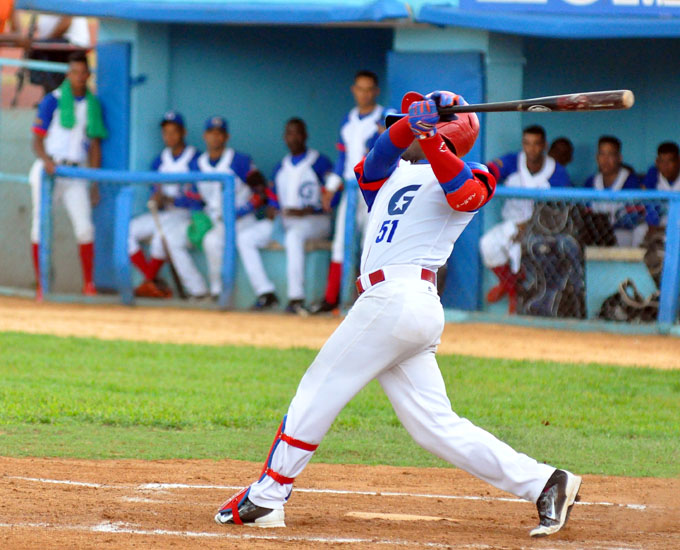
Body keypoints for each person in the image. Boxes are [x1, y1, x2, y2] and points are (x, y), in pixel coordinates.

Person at [213, 90, 582, 538]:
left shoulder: (476, 174)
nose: (402, 125)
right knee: (435, 428)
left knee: (317, 390)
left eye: (421, 118)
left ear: (447, 131)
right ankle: (546, 482)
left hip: (398, 299)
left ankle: (267, 497)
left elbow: (462, 194)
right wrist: (415, 124)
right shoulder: (391, 175)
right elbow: (381, 151)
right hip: (400, 308)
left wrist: (432, 138)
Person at [29, 51, 107, 300]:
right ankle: (42, 286)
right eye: (74, 72)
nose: (79, 77)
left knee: (85, 229)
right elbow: (37, 140)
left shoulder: (92, 104)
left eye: (83, 72)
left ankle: (88, 285)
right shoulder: (52, 100)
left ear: (88, 74)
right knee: (40, 226)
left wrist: (94, 182)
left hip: (76, 171)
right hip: (50, 169)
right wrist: (46, 161)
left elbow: (94, 145)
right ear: (68, 73)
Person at [310, 70, 384, 314]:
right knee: (341, 242)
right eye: (360, 89)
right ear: (354, 90)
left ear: (376, 91)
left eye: (369, 89)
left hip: (375, 191)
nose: (364, 94)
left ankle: (367, 299)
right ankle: (332, 299)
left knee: (370, 246)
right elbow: (343, 158)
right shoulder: (348, 119)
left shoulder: (384, 116)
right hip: (351, 191)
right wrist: (330, 188)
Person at [480, 125, 571, 313]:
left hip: (542, 230)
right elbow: (489, 170)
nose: (531, 149)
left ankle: (515, 292)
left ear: (544, 145)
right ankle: (512, 288)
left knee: (528, 254)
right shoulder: (513, 161)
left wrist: (529, 227)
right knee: (487, 244)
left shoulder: (557, 172)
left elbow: (561, 212)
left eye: (536, 144)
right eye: (527, 144)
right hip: (511, 224)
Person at [192, 116, 274, 300]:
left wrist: (242, 211)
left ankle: (264, 293)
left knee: (244, 241)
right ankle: (218, 293)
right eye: (211, 133)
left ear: (226, 137)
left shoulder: (240, 160)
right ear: (205, 136)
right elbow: (194, 196)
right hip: (218, 222)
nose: (215, 138)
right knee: (210, 241)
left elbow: (261, 192)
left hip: (243, 221)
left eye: (219, 134)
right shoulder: (198, 163)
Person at [128, 111, 207, 299]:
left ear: (183, 132)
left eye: (174, 132)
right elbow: (154, 190)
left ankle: (148, 282)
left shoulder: (196, 159)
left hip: (187, 215)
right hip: (164, 214)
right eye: (166, 132)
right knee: (126, 230)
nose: (169, 136)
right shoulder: (159, 160)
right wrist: (156, 197)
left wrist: (173, 200)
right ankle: (151, 280)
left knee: (159, 240)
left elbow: (201, 198)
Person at [270, 118, 333, 313]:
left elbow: (333, 198)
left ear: (305, 136)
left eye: (297, 133)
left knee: (293, 236)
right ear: (284, 137)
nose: (293, 137)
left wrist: (309, 210)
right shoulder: (279, 167)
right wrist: (272, 210)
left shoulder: (320, 162)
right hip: (287, 221)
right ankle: (265, 293)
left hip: (316, 221)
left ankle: (295, 297)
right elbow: (272, 202)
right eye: (289, 133)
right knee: (247, 237)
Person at [583, 136, 645, 247]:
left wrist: (611, 222)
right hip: (596, 233)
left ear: (619, 158)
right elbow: (585, 213)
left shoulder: (630, 180)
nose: (605, 159)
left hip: (623, 232)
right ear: (597, 158)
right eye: (602, 154)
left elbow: (635, 217)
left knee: (641, 229)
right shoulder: (591, 181)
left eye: (610, 154)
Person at [642, 141, 680, 231]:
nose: (665, 166)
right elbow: (644, 195)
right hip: (659, 221)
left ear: (678, 161)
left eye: (669, 161)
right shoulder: (653, 173)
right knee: (640, 230)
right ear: (657, 162)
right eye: (662, 161)